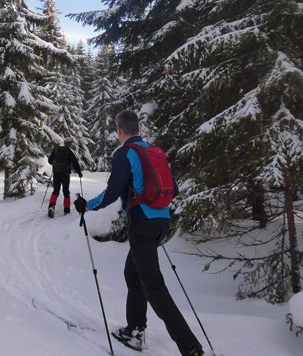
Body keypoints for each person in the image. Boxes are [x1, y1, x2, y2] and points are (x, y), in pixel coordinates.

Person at [73, 110, 205, 356]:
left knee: (154, 287)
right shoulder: (153, 152)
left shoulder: (125, 153)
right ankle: (135, 330)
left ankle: (191, 349)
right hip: (161, 223)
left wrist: (87, 205)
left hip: (142, 226)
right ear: (138, 128)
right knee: (133, 274)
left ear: (119, 130)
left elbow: (112, 191)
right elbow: (173, 189)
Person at [47, 137, 83, 218]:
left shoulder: (56, 150)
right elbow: (75, 163)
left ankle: (51, 207)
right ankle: (66, 209)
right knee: (66, 192)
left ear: (64, 142)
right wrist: (79, 173)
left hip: (56, 174)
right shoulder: (69, 152)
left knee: (55, 191)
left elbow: (49, 161)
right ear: (69, 144)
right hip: (65, 175)